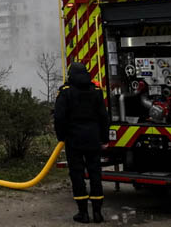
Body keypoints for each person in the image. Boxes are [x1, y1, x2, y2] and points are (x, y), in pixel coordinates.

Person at [54, 62, 109, 223]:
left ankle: (83, 213)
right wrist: (104, 139)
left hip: (74, 139)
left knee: (77, 175)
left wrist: (61, 137)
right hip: (93, 138)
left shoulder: (65, 92)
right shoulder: (96, 90)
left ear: (70, 75)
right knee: (95, 174)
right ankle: (97, 213)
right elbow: (103, 117)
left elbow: (59, 117)